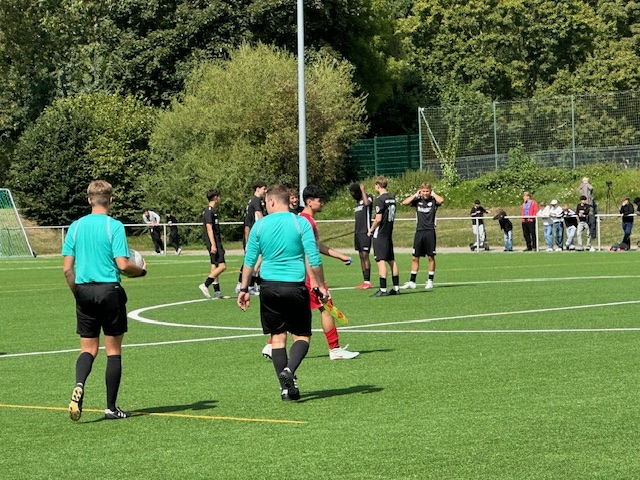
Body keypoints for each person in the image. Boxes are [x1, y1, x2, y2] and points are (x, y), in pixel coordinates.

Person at [63, 180, 147, 421]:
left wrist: (78, 293)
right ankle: (111, 407)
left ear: (89, 200)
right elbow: (123, 264)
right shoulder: (114, 226)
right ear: (110, 200)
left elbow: (67, 269)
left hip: (84, 291)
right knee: (113, 351)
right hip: (109, 291)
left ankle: (79, 384)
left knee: (88, 349)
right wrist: (141, 271)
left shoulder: (75, 227)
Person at [238, 184, 327, 401]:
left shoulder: (260, 226)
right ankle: (289, 370)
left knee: (277, 339)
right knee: (302, 336)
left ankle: (286, 390)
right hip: (294, 286)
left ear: (272, 201)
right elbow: (314, 258)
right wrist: (321, 285)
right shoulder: (300, 223)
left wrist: (244, 288)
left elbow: (249, 260)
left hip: (268, 287)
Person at [262, 184, 359, 361]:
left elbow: (316, 245)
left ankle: (271, 345)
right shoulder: (306, 221)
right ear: (309, 202)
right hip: (308, 275)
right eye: (319, 200)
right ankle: (335, 349)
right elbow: (308, 252)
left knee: (290, 310)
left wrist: (340, 256)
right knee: (326, 307)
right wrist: (315, 280)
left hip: (297, 275)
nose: (322, 203)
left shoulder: (302, 219)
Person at [400, 182, 443, 289]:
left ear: (430, 191)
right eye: (423, 191)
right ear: (420, 191)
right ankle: (412, 281)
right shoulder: (417, 200)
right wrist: (415, 195)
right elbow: (404, 203)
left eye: (427, 191)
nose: (425, 193)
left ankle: (430, 281)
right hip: (419, 231)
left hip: (430, 231)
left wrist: (433, 194)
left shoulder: (433, 200)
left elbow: (441, 200)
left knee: (430, 257)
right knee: (415, 257)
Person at [368, 176, 400, 296]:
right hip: (388, 232)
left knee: (380, 260)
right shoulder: (392, 198)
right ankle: (396, 287)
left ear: (378, 185)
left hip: (380, 234)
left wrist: (371, 230)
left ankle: (383, 289)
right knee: (391, 260)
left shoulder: (380, 199)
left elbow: (378, 219)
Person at [236, 181, 267, 294]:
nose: (265, 191)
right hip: (253, 236)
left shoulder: (252, 201)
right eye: (264, 189)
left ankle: (249, 285)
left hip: (252, 235)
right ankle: (245, 285)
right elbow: (259, 218)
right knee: (254, 261)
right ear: (258, 189)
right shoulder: (256, 201)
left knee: (255, 260)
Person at [199, 189, 229, 299]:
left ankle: (217, 292)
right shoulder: (209, 211)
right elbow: (209, 228)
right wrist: (213, 244)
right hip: (214, 242)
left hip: (216, 242)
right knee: (222, 266)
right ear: (215, 197)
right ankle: (205, 284)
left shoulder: (212, 211)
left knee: (214, 266)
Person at [349, 183, 373, 289]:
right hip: (357, 232)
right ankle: (364, 281)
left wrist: (363, 190)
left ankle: (368, 282)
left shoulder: (368, 197)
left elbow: (367, 204)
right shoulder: (357, 203)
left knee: (365, 255)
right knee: (361, 256)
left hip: (365, 232)